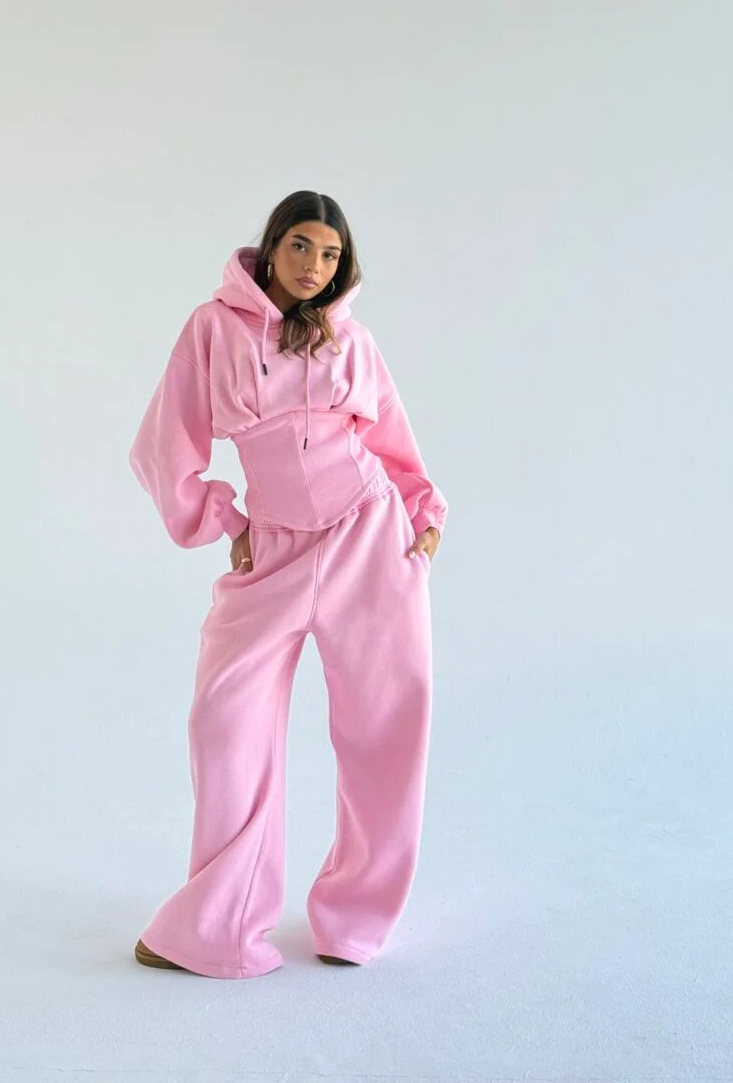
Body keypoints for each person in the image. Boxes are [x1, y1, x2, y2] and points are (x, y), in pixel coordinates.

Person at [128, 190, 448, 980]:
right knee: (224, 722)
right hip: (271, 548)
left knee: (384, 728)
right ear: (271, 246)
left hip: (369, 538)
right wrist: (224, 521)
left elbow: (392, 439)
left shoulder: (352, 340)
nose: (314, 266)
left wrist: (422, 513)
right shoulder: (214, 329)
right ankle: (219, 924)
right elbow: (164, 445)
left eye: (330, 254)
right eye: (301, 246)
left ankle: (355, 921)